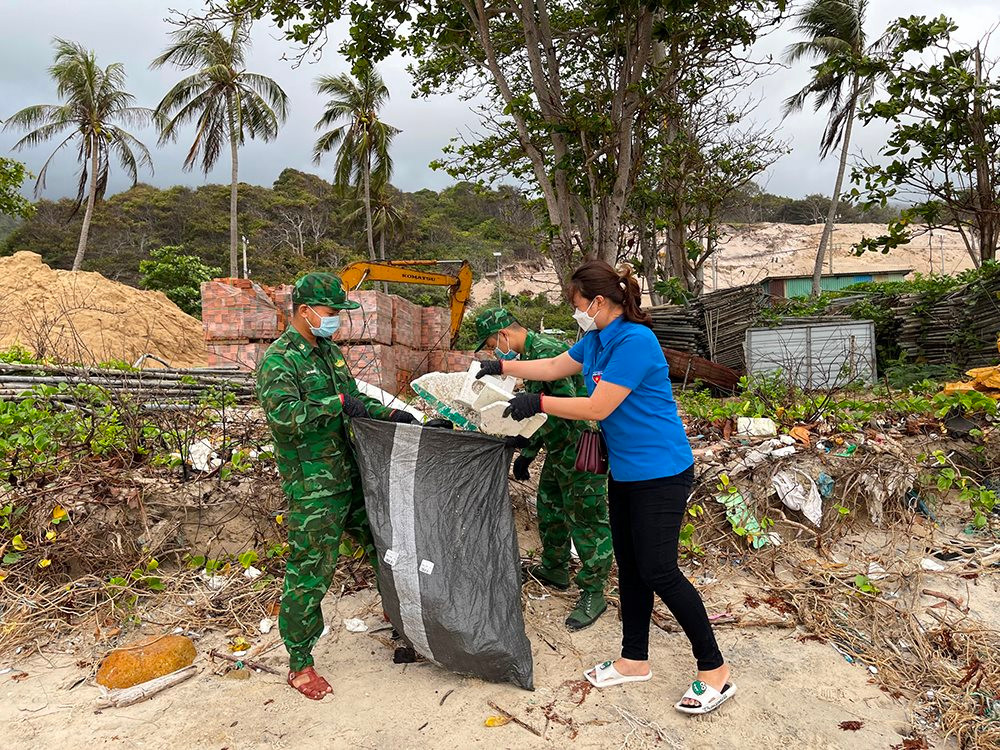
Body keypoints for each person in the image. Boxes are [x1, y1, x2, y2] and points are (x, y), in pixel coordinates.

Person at [479, 260, 734, 716]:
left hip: (662, 472)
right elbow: (555, 364)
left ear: (598, 301)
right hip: (625, 474)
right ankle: (634, 659)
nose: (575, 311)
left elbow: (598, 406)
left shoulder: (636, 341)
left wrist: (538, 402)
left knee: (659, 571)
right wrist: (501, 365)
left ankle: (715, 669)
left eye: (577, 303)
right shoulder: (596, 338)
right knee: (632, 569)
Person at [256, 273, 418, 701]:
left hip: (350, 475)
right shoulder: (279, 361)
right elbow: (284, 418)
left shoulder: (328, 352)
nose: (336, 322)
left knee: (385, 548)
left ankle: (399, 618)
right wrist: (337, 404)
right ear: (305, 311)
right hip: (314, 488)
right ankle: (299, 663)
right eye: (331, 313)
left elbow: (354, 399)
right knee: (310, 573)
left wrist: (394, 415)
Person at [472, 308, 612, 630]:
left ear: (504, 334)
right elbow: (540, 409)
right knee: (550, 506)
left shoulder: (547, 351)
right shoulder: (531, 354)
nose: (495, 352)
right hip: (560, 447)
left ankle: (593, 591)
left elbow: (561, 408)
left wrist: (525, 438)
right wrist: (529, 450)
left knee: (586, 519)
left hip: (581, 447)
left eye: (493, 344)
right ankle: (555, 568)